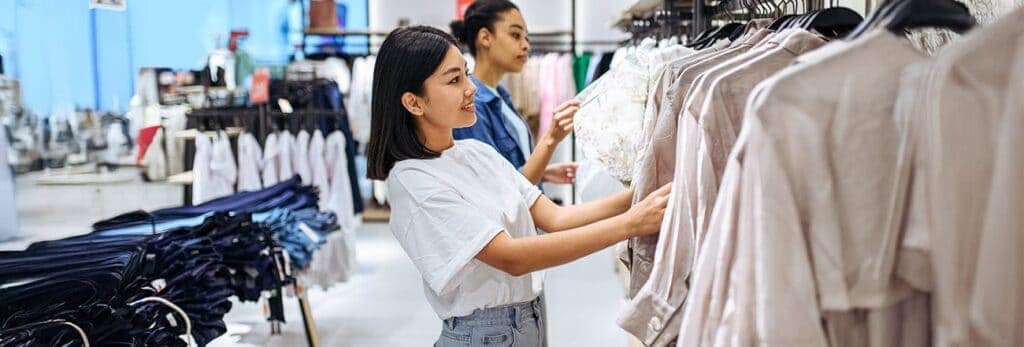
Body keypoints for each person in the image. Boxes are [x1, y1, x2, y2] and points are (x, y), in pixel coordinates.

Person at [366, 26, 671, 347]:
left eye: (466, 75)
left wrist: (644, 194)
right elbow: (512, 257)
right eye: (454, 80)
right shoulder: (413, 180)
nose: (471, 88)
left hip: (529, 319)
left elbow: (555, 218)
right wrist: (631, 223)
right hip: (484, 335)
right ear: (414, 102)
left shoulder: (477, 153)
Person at [449, 0, 579, 186]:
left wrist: (543, 173)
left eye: (526, 38)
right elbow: (495, 190)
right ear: (485, 37)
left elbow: (508, 171)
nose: (526, 45)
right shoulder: (472, 104)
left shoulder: (500, 96)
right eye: (515, 35)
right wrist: (550, 139)